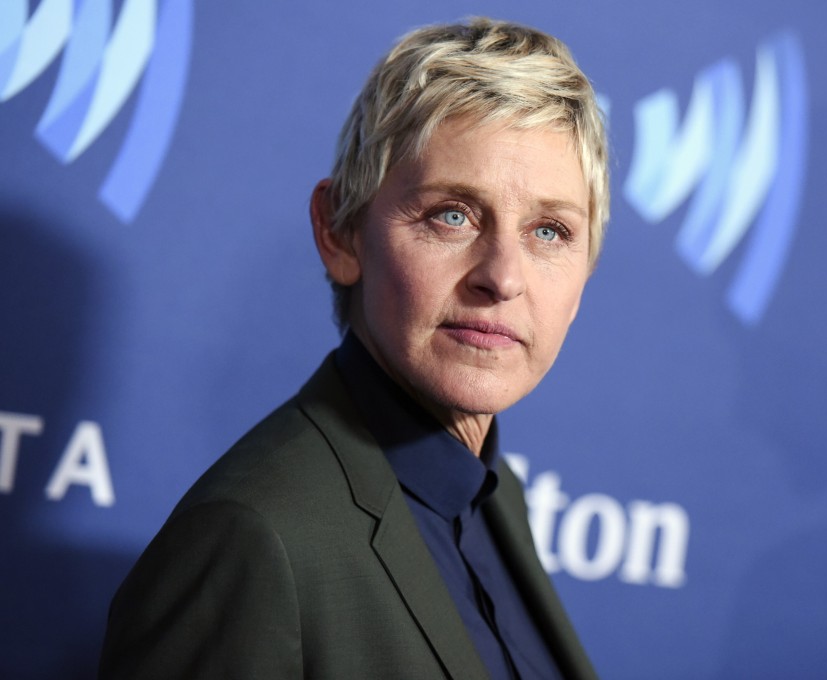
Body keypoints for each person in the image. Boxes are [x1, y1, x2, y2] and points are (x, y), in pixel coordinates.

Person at [99, 16, 608, 680]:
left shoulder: (494, 492)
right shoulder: (251, 539)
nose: (503, 277)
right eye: (452, 214)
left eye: (549, 230)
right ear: (340, 232)